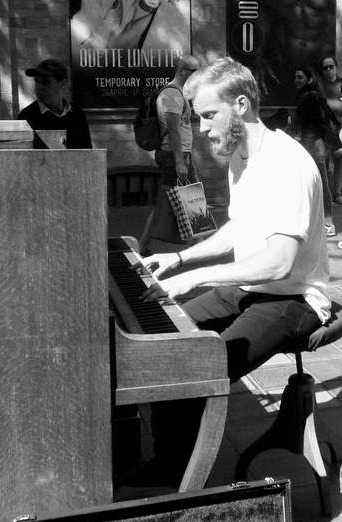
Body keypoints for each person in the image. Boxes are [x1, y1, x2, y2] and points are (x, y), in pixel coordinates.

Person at [130, 57, 331, 488]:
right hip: (248, 288)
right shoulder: (241, 155)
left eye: (208, 115)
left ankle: (184, 482)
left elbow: (279, 262)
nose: (201, 128)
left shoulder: (287, 164)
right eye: (197, 117)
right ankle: (170, 467)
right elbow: (239, 227)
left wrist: (196, 278)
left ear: (241, 104)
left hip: (293, 299)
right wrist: (180, 260)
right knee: (165, 346)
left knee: (200, 370)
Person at [138, 54, 200, 253]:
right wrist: (180, 161)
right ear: (181, 70)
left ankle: (195, 242)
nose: (196, 75)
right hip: (174, 155)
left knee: (188, 197)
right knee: (184, 199)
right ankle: (195, 244)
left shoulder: (178, 93)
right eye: (193, 71)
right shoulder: (172, 95)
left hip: (180, 154)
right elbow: (173, 131)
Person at [291, 66, 336, 236]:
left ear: (309, 79)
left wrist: (296, 135)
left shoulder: (308, 97)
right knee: (314, 183)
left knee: (319, 183)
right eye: (296, 77)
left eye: (300, 77)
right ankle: (320, 222)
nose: (296, 80)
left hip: (312, 143)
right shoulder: (313, 95)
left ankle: (328, 223)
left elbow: (313, 121)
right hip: (315, 143)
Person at [18, 59, 92, 149]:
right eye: (37, 81)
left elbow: (87, 153)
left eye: (45, 82)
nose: (39, 87)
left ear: (62, 83)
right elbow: (20, 154)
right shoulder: (27, 116)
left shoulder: (78, 115)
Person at [318, 55, 342, 205]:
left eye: (330, 67)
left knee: (339, 159)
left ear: (335, 67)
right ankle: (324, 195)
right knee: (324, 161)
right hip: (324, 128)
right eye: (325, 68)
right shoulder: (319, 86)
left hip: (339, 127)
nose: (328, 70)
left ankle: (337, 193)